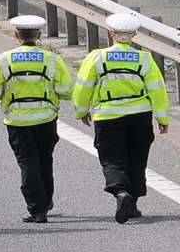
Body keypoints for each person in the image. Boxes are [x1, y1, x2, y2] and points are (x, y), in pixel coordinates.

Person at [73, 12, 170, 224]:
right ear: (134, 35)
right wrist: (163, 119)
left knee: (111, 159)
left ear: (110, 34)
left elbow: (83, 87)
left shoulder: (97, 57)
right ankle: (132, 204)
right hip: (140, 116)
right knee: (137, 159)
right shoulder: (144, 58)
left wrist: (81, 111)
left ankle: (121, 193)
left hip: (108, 116)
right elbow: (157, 90)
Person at [0, 15, 71, 223]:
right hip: (46, 119)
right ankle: (46, 200)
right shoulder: (52, 59)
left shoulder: (3, 60)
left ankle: (37, 208)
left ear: (16, 35)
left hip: (17, 121)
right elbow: (66, 90)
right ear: (39, 35)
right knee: (45, 159)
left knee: (27, 163)